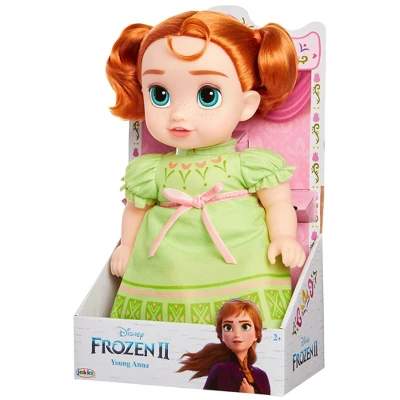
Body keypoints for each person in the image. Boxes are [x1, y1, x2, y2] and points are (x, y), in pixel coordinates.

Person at [106, 10, 306, 327]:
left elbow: (278, 203)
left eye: (207, 95)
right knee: (164, 310)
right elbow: (135, 211)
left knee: (243, 312)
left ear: (246, 105)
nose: (178, 114)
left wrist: (284, 237)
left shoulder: (249, 164)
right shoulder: (151, 171)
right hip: (166, 264)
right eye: (160, 94)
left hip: (241, 259)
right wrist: (127, 246)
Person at [178, 298, 271, 394]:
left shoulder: (261, 375)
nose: (236, 334)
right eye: (228, 327)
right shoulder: (221, 370)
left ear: (256, 334)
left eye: (245, 327)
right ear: (221, 335)